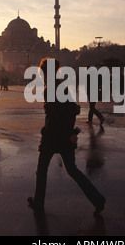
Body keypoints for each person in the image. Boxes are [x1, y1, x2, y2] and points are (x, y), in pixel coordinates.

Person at [28, 58, 106, 215]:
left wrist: (67, 135)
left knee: (42, 169)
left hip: (53, 137)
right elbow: (74, 109)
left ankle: (38, 203)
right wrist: (70, 133)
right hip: (65, 135)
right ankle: (97, 199)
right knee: (72, 170)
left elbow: (58, 116)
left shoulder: (49, 89)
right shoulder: (62, 87)